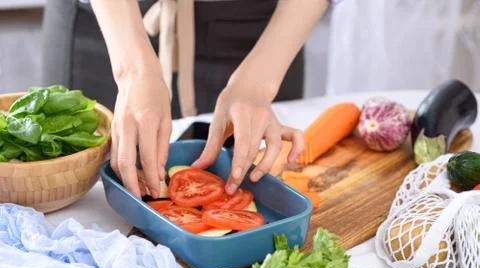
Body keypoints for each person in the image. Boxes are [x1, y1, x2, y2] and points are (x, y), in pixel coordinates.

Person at [43, 0, 329, 198]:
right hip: (109, 23)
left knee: (253, 175)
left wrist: (261, 82)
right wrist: (131, 70)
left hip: (263, 29)